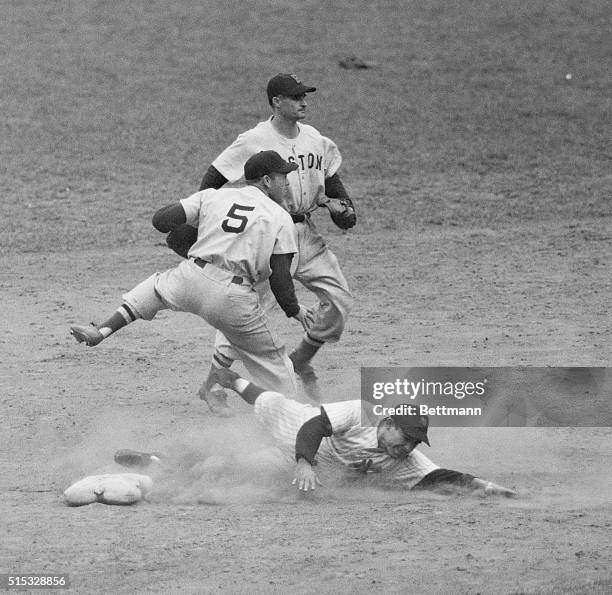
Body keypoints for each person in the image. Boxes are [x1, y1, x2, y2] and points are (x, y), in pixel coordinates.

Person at [70, 151, 312, 415]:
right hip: (233, 297)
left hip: (193, 276)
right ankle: (295, 419)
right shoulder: (280, 217)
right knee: (276, 362)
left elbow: (162, 221)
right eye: (283, 177)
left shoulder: (215, 196)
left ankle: (102, 330)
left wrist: (203, 227)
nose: (287, 184)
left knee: (156, 288)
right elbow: (280, 279)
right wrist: (295, 311)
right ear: (266, 181)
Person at [166, 73, 356, 405]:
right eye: (295, 97)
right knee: (249, 313)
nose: (303, 102)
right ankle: (213, 383)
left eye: (304, 96)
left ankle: (301, 360)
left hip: (306, 236)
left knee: (339, 303)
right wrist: (203, 220)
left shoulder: (314, 139)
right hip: (265, 238)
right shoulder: (253, 140)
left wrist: (345, 209)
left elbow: (331, 179)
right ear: (276, 102)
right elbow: (215, 175)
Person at [199, 367, 517, 496]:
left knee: (241, 467)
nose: (407, 448)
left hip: (296, 463)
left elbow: (440, 477)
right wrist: (305, 462)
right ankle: (232, 379)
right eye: (405, 438)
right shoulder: (362, 412)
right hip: (299, 429)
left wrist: (491, 488)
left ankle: (201, 465)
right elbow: (316, 426)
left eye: (414, 443)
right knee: (270, 402)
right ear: (388, 425)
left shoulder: (405, 460)